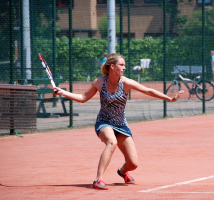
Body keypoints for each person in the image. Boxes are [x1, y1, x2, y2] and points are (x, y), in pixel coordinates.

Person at [52, 53, 184, 190]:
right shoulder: (99, 82)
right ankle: (98, 179)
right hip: (104, 122)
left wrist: (170, 98)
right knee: (111, 142)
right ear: (112, 67)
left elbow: (148, 91)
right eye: (121, 65)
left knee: (133, 164)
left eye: (124, 65)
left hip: (121, 124)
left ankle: (122, 171)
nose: (124, 68)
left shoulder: (126, 82)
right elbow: (83, 97)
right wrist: (62, 92)